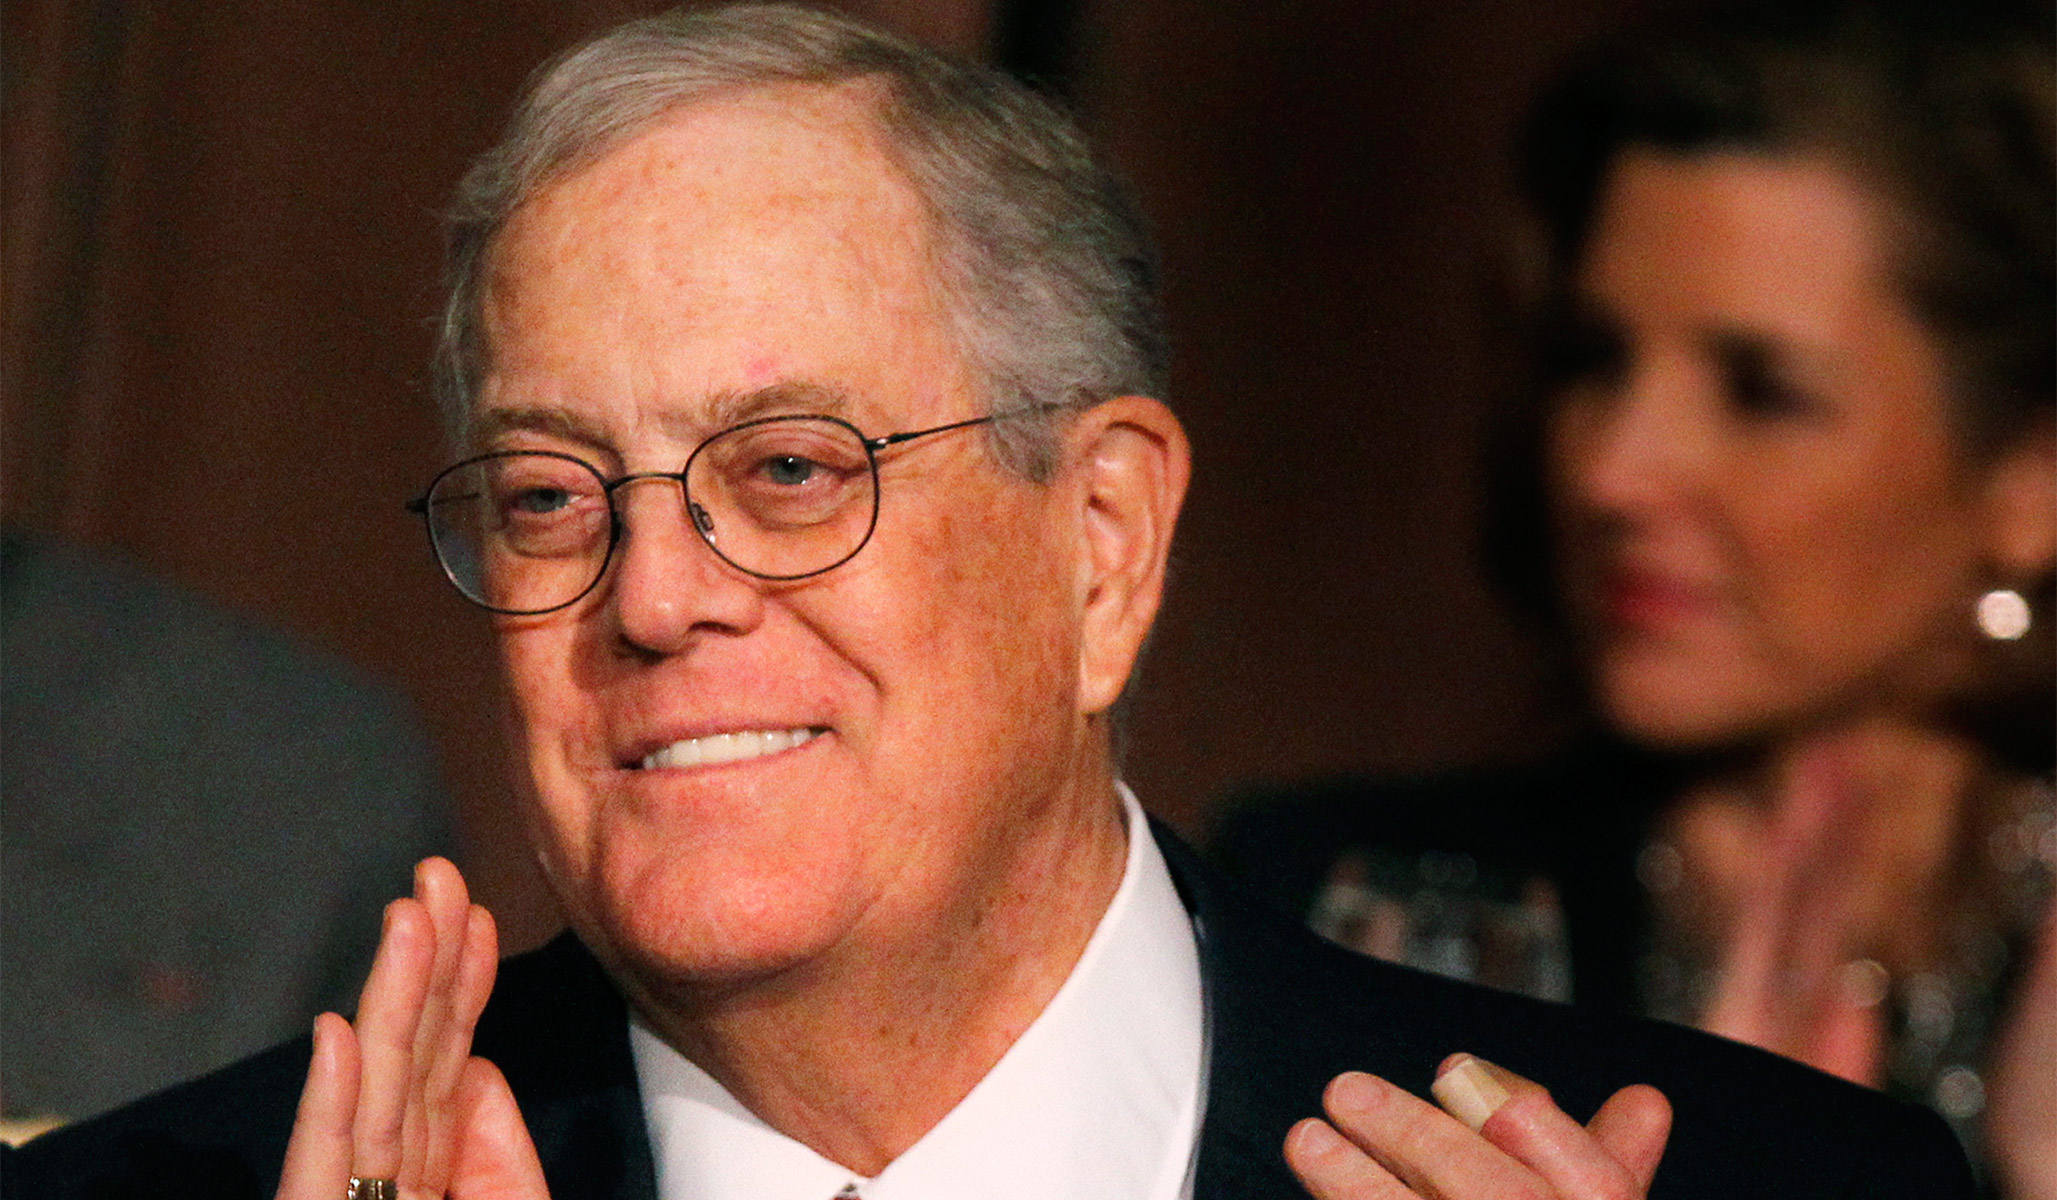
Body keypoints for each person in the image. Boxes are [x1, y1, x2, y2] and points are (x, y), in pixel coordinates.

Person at [1, 6, 1979, 1199]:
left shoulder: (1776, 1185)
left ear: (1099, 540)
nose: (654, 595)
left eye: (788, 471)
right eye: (546, 497)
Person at [1212, 0, 2056, 1195]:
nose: (1611, 470)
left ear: (2027, 479)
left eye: (1761, 391)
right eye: (1591, 360)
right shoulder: (1355, 902)